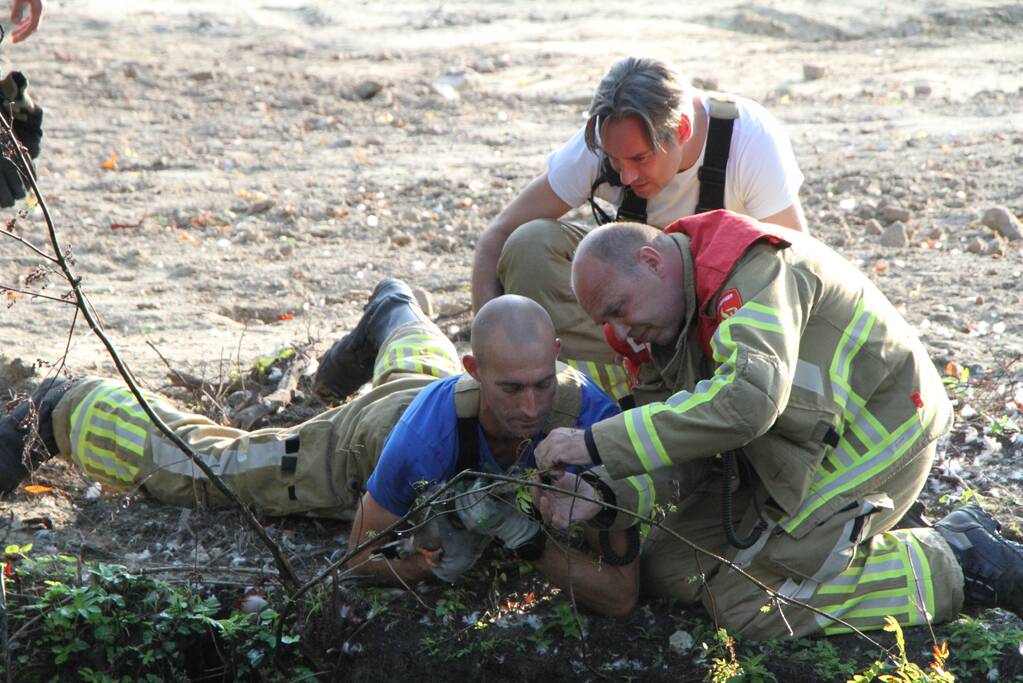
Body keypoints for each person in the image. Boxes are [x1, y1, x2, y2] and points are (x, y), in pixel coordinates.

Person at [0, 281, 638, 615]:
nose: (530, 408)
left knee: (415, 371)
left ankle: (394, 308)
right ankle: (62, 405)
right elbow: (359, 557)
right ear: (477, 371)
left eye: (539, 385)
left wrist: (522, 539)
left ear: (557, 359)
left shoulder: (588, 418)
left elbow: (620, 594)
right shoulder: (423, 441)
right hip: (361, 444)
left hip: (430, 390)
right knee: (209, 468)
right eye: (510, 390)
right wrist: (421, 566)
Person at [533, 212, 1023, 639]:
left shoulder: (751, 267)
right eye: (606, 323)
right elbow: (680, 450)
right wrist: (602, 495)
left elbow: (748, 403)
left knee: (749, 608)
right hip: (789, 446)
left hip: (883, 425)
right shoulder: (663, 326)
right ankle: (838, 539)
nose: (619, 332)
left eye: (618, 309)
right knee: (668, 571)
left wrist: (595, 442)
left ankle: (958, 557)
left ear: (652, 261)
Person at [471, 56, 805, 402]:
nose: (626, 176)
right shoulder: (606, 141)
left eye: (640, 159)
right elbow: (497, 237)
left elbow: (796, 268)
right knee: (531, 245)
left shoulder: (749, 140)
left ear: (682, 132)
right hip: (630, 327)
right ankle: (615, 390)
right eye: (616, 162)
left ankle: (680, 392)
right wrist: (492, 362)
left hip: (716, 326)